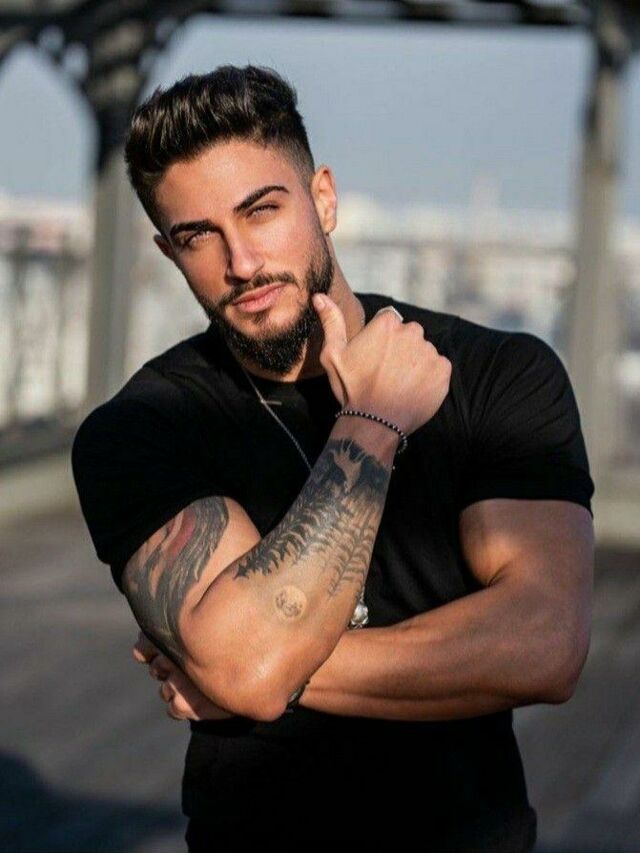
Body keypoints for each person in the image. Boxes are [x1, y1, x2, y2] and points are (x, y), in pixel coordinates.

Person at [70, 64, 595, 852]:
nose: (241, 262)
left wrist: (250, 670)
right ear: (167, 251)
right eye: (197, 235)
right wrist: (372, 422)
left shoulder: (497, 374)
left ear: (323, 199)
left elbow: (545, 644)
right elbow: (247, 668)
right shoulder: (142, 427)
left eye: (261, 210)